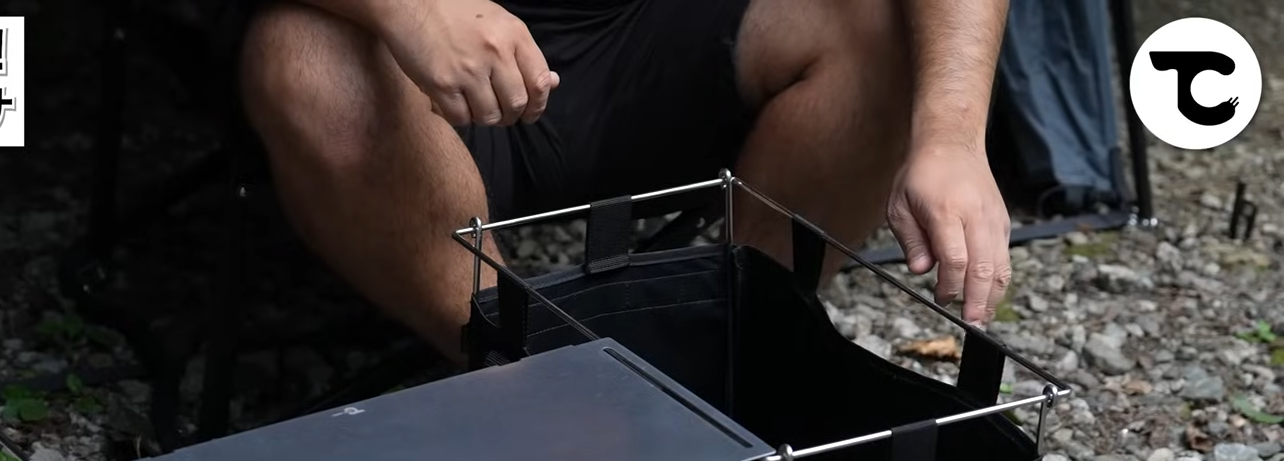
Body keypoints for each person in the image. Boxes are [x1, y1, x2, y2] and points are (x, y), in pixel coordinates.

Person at [237, 0, 1017, 363]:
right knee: (305, 60)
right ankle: (526, 377)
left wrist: (951, 132)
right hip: (409, 66)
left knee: (878, 21)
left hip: (659, 39)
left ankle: (740, 351)